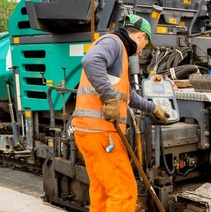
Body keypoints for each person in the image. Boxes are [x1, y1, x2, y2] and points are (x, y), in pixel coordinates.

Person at [71, 14, 168, 212]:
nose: (140, 53)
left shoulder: (119, 51)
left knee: (103, 192)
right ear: (141, 36)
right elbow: (90, 60)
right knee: (124, 191)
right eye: (145, 47)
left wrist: (152, 108)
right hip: (102, 134)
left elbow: (127, 94)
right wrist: (109, 98)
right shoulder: (114, 43)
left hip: (89, 132)